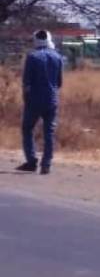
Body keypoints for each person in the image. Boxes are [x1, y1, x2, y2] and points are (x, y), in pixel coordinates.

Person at [17, 29, 63, 175]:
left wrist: (26, 98)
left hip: (34, 100)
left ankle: (31, 161)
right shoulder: (57, 57)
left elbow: (26, 82)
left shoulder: (32, 57)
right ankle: (46, 164)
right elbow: (59, 82)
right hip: (52, 99)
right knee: (49, 132)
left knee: (27, 128)